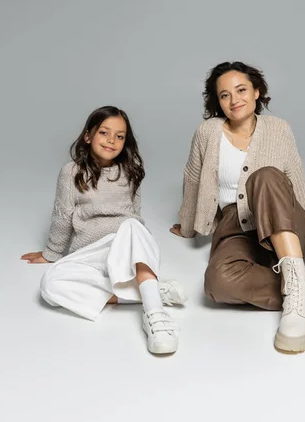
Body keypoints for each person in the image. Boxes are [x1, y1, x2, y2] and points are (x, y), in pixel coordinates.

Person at [170, 62, 305, 354]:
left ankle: (296, 303)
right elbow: (193, 178)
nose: (235, 100)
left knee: (265, 176)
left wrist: (303, 225)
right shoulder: (208, 132)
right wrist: (189, 225)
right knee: (217, 284)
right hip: (237, 227)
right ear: (217, 102)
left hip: (286, 224)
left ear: (257, 91)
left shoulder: (278, 129)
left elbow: (296, 178)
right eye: (225, 95)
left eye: (241, 90)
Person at [22, 105, 186, 355]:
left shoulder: (130, 171)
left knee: (132, 225)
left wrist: (134, 245)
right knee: (50, 286)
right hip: (91, 254)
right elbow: (62, 215)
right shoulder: (71, 172)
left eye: (119, 136)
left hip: (127, 245)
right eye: (104, 133)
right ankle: (149, 292)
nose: (112, 140)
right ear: (88, 136)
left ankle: (156, 316)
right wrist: (51, 253)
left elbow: (135, 213)